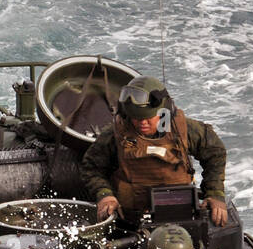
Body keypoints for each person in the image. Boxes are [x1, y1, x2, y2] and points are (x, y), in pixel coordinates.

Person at [80, 75, 230, 226]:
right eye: (136, 118)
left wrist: (215, 194)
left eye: (148, 118)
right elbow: (91, 167)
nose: (142, 123)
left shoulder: (184, 130)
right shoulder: (116, 134)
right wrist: (105, 195)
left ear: (164, 112)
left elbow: (215, 153)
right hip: (130, 217)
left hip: (180, 212)